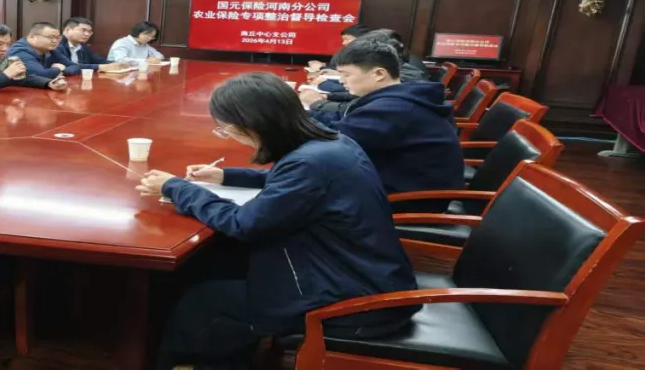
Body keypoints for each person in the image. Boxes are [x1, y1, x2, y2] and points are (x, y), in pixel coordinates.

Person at [135, 72, 418, 369]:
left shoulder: (309, 164)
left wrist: (177, 188)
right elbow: (287, 180)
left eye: (226, 130)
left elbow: (243, 224)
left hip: (352, 305)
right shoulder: (332, 143)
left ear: (252, 126)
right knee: (217, 265)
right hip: (359, 275)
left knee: (204, 301)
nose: (228, 136)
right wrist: (226, 175)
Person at [307, 38, 464, 211]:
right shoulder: (400, 97)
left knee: (307, 191)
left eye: (346, 75)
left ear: (379, 74)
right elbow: (347, 124)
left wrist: (293, 117)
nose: (342, 81)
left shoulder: (395, 108)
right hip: (398, 183)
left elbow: (334, 140)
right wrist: (306, 116)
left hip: (409, 200)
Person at [305, 30, 428, 115]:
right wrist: (329, 97)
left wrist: (317, 104)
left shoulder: (405, 83)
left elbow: (355, 114)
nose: (342, 80)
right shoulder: (394, 81)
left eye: (346, 74)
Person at [6, 22, 85, 78]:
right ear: (32, 37)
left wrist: (63, 70)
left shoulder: (50, 49)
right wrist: (58, 69)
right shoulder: (20, 51)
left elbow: (75, 66)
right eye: (51, 37)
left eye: (58, 38)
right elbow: (40, 75)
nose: (55, 41)